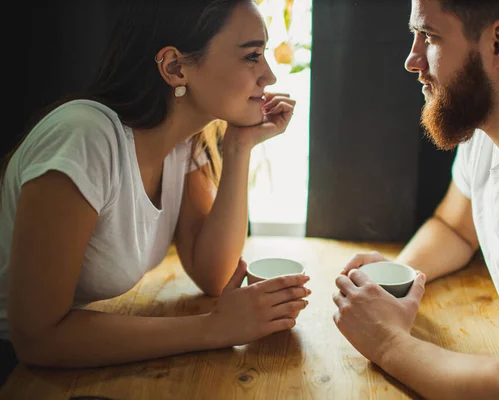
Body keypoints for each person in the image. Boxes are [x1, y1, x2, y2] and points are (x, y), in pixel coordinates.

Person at [0, 0, 311, 386]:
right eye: (252, 56)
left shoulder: (183, 144)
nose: (269, 76)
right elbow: (38, 339)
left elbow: (215, 275)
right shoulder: (84, 138)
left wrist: (238, 149)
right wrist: (214, 329)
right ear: (175, 67)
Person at [332, 0, 499, 398]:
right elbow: (455, 228)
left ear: (498, 43)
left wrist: (386, 341)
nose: (412, 59)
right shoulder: (490, 122)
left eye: (430, 36)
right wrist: (397, 277)